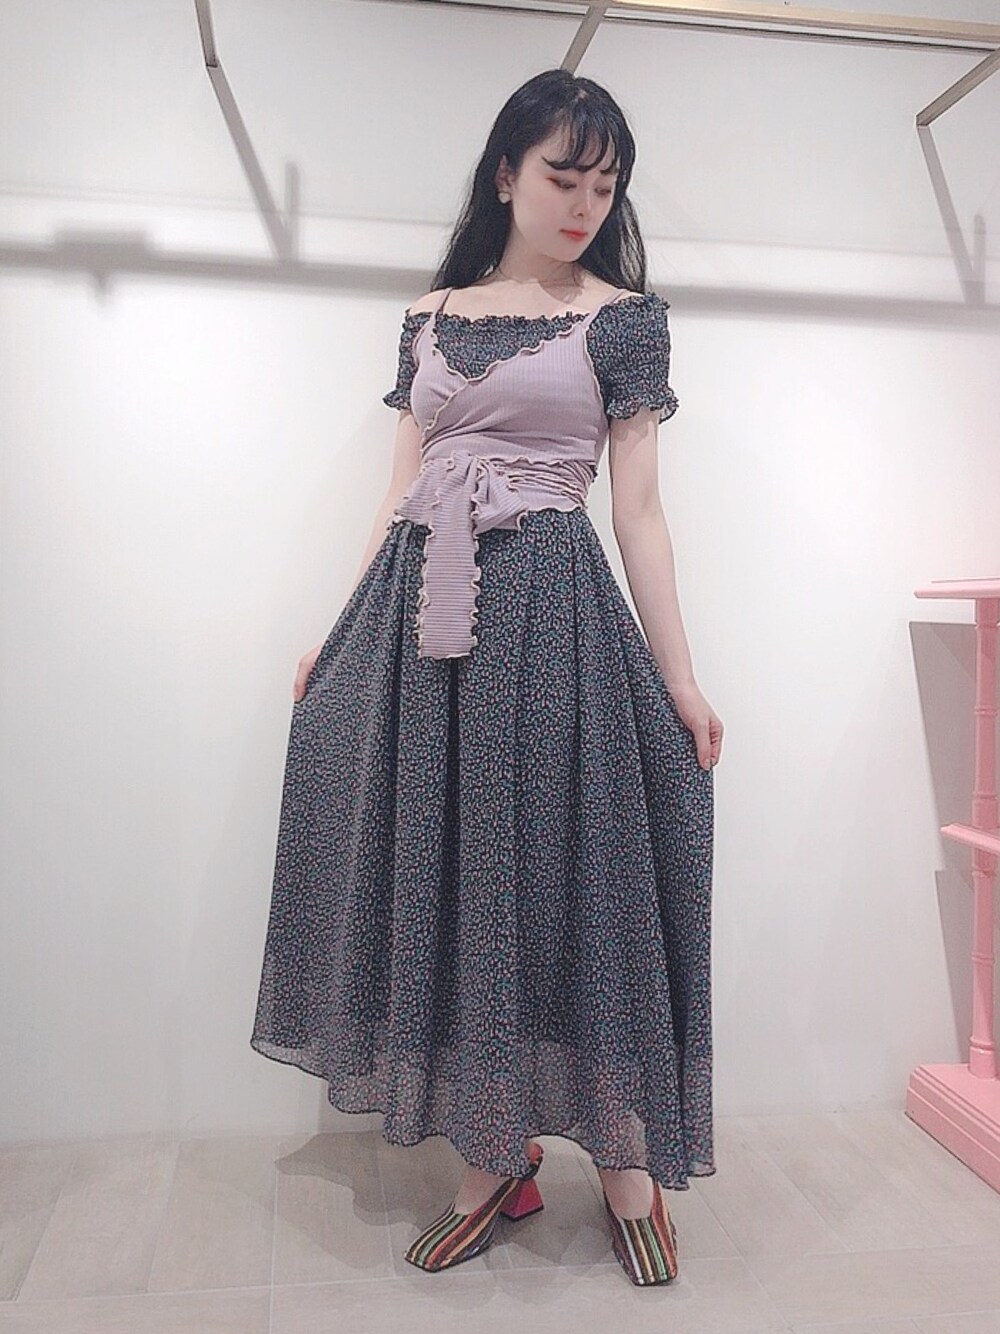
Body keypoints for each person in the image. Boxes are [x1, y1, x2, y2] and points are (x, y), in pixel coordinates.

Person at [250, 66, 723, 1288]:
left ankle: (623, 1160)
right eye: (563, 176)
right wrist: (339, 628)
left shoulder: (624, 320)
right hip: (426, 625)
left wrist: (680, 678)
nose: (584, 204)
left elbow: (640, 512)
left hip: (553, 616)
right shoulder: (429, 316)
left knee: (575, 883)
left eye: (604, 185)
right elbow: (400, 487)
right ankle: (493, 1156)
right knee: (457, 885)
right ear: (506, 173)